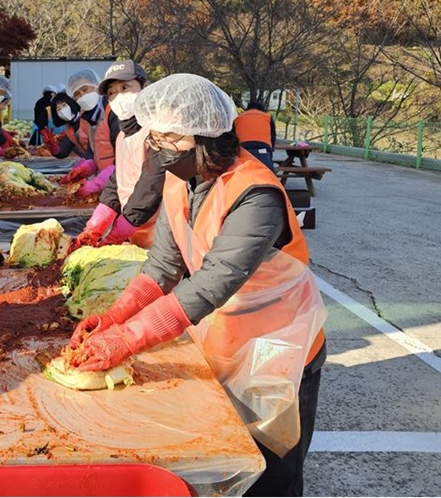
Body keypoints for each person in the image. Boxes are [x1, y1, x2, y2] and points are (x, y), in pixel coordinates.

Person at [68, 73, 327, 497]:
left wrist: (129, 338)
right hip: (225, 337)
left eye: (169, 137)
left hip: (278, 345)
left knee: (272, 470)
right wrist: (114, 317)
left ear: (205, 136)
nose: (157, 147)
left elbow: (210, 284)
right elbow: (163, 266)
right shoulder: (181, 179)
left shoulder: (255, 193)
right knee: (224, 459)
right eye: (155, 136)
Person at [72, 60, 163, 249]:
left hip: (161, 238)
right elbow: (117, 180)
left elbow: (150, 188)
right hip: (135, 234)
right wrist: (96, 225)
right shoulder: (123, 136)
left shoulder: (158, 133)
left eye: (126, 88)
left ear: (145, 87)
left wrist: (118, 232)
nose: (119, 97)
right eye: (112, 92)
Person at [235, 99, 276, 170]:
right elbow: (273, 137)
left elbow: (233, 136)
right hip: (263, 148)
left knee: (243, 173)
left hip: (243, 148)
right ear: (262, 109)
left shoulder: (238, 118)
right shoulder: (267, 117)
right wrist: (271, 149)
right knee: (267, 173)